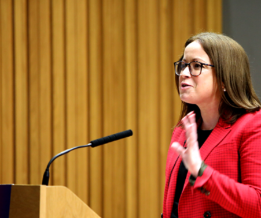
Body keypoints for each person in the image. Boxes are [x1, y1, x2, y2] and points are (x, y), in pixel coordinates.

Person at [162, 32, 261, 218]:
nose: (183, 73)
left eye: (196, 66)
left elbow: (258, 204)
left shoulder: (253, 125)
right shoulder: (182, 130)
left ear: (225, 79)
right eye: (183, 65)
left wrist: (202, 171)